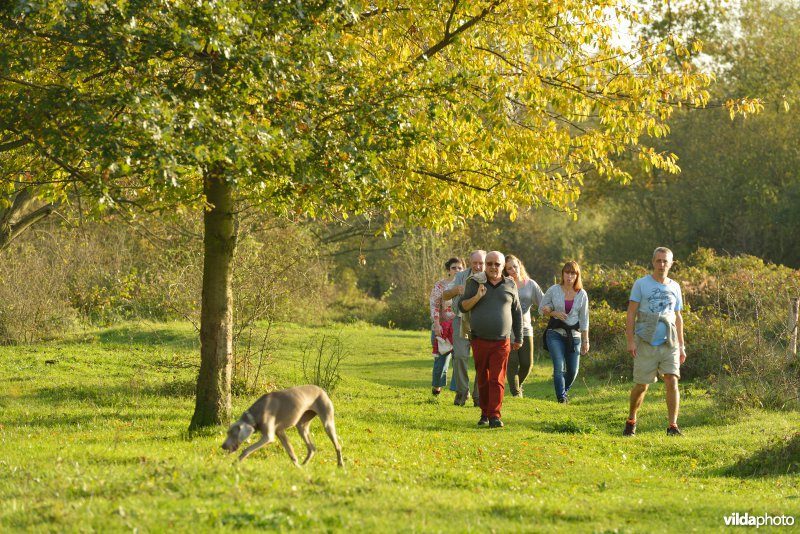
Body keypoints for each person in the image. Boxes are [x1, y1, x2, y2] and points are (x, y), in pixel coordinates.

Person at [623, 247, 687, 437]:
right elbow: (631, 313)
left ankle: (672, 426)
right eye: (658, 261)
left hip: (670, 341)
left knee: (672, 380)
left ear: (671, 264)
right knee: (642, 385)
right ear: (653, 262)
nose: (662, 265)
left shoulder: (675, 286)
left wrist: (682, 345)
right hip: (646, 340)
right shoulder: (641, 284)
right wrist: (630, 341)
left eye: (665, 261)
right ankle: (631, 420)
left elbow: (678, 316)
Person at [459, 251, 522, 428]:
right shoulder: (475, 282)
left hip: (502, 341)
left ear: (503, 267)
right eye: (490, 264)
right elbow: (462, 307)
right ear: (485, 265)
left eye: (497, 264)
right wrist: (478, 296)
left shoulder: (510, 284)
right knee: (483, 379)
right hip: (479, 339)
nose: (493, 267)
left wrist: (519, 336)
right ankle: (484, 413)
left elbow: (516, 312)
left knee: (497, 378)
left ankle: (494, 415)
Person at [539, 261, 590, 404]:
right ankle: (561, 398)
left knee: (573, 371)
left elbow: (584, 319)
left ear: (577, 275)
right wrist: (553, 312)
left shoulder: (582, 294)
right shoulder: (554, 289)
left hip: (574, 336)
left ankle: (564, 391)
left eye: (573, 273)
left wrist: (586, 340)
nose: (569, 276)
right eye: (567, 273)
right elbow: (541, 308)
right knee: (559, 368)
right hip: (554, 333)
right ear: (562, 274)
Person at [443, 250, 485, 406]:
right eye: (475, 263)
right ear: (470, 262)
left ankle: (478, 395)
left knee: (481, 360)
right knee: (460, 356)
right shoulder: (461, 276)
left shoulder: (490, 277)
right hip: (461, 320)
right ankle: (462, 391)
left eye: (481, 263)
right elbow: (445, 296)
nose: (478, 266)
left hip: (482, 322)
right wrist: (456, 290)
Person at [503, 255, 544, 398]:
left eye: (515, 266)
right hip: (508, 329)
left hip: (526, 328)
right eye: (509, 268)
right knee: (512, 363)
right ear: (506, 271)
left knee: (527, 363)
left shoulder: (531, 284)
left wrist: (555, 309)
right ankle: (516, 393)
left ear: (520, 264)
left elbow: (543, 302)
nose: (513, 270)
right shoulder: (504, 284)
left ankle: (517, 385)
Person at [429, 257, 464, 396]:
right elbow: (434, 305)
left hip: (459, 328)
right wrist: (436, 324)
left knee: (459, 360)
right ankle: (437, 387)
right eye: (454, 267)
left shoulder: (465, 286)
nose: (457, 270)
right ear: (448, 270)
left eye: (460, 268)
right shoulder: (440, 286)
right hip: (442, 327)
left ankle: (457, 391)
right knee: (440, 361)